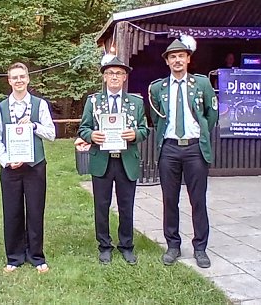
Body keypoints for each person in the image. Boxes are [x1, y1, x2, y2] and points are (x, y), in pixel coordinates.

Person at [147, 39, 218, 268]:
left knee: (198, 200)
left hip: (195, 147)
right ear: (167, 61)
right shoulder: (158, 88)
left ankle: (200, 248)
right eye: (172, 57)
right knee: (170, 199)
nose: (177, 60)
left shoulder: (202, 84)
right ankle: (173, 245)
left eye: (181, 56)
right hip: (169, 148)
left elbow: (211, 114)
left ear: (188, 59)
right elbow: (157, 118)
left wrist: (202, 133)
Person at [77, 56, 148, 265]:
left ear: (125, 77)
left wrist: (135, 134)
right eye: (110, 73)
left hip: (126, 161)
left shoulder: (136, 103)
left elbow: (144, 129)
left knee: (127, 206)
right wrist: (91, 136)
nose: (114, 77)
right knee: (102, 205)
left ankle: (126, 245)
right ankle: (104, 246)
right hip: (102, 160)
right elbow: (83, 127)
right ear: (104, 77)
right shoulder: (93, 101)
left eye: (118, 73)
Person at [0, 62, 56, 274]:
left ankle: (36, 256)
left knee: (35, 210)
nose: (18, 81)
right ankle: (14, 257)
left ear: (28, 79)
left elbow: (52, 134)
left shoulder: (39, 105)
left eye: (22, 77)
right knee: (12, 211)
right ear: (9, 81)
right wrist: (6, 160)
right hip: (11, 167)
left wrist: (33, 126)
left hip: (35, 166)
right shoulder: (1, 108)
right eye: (14, 77)